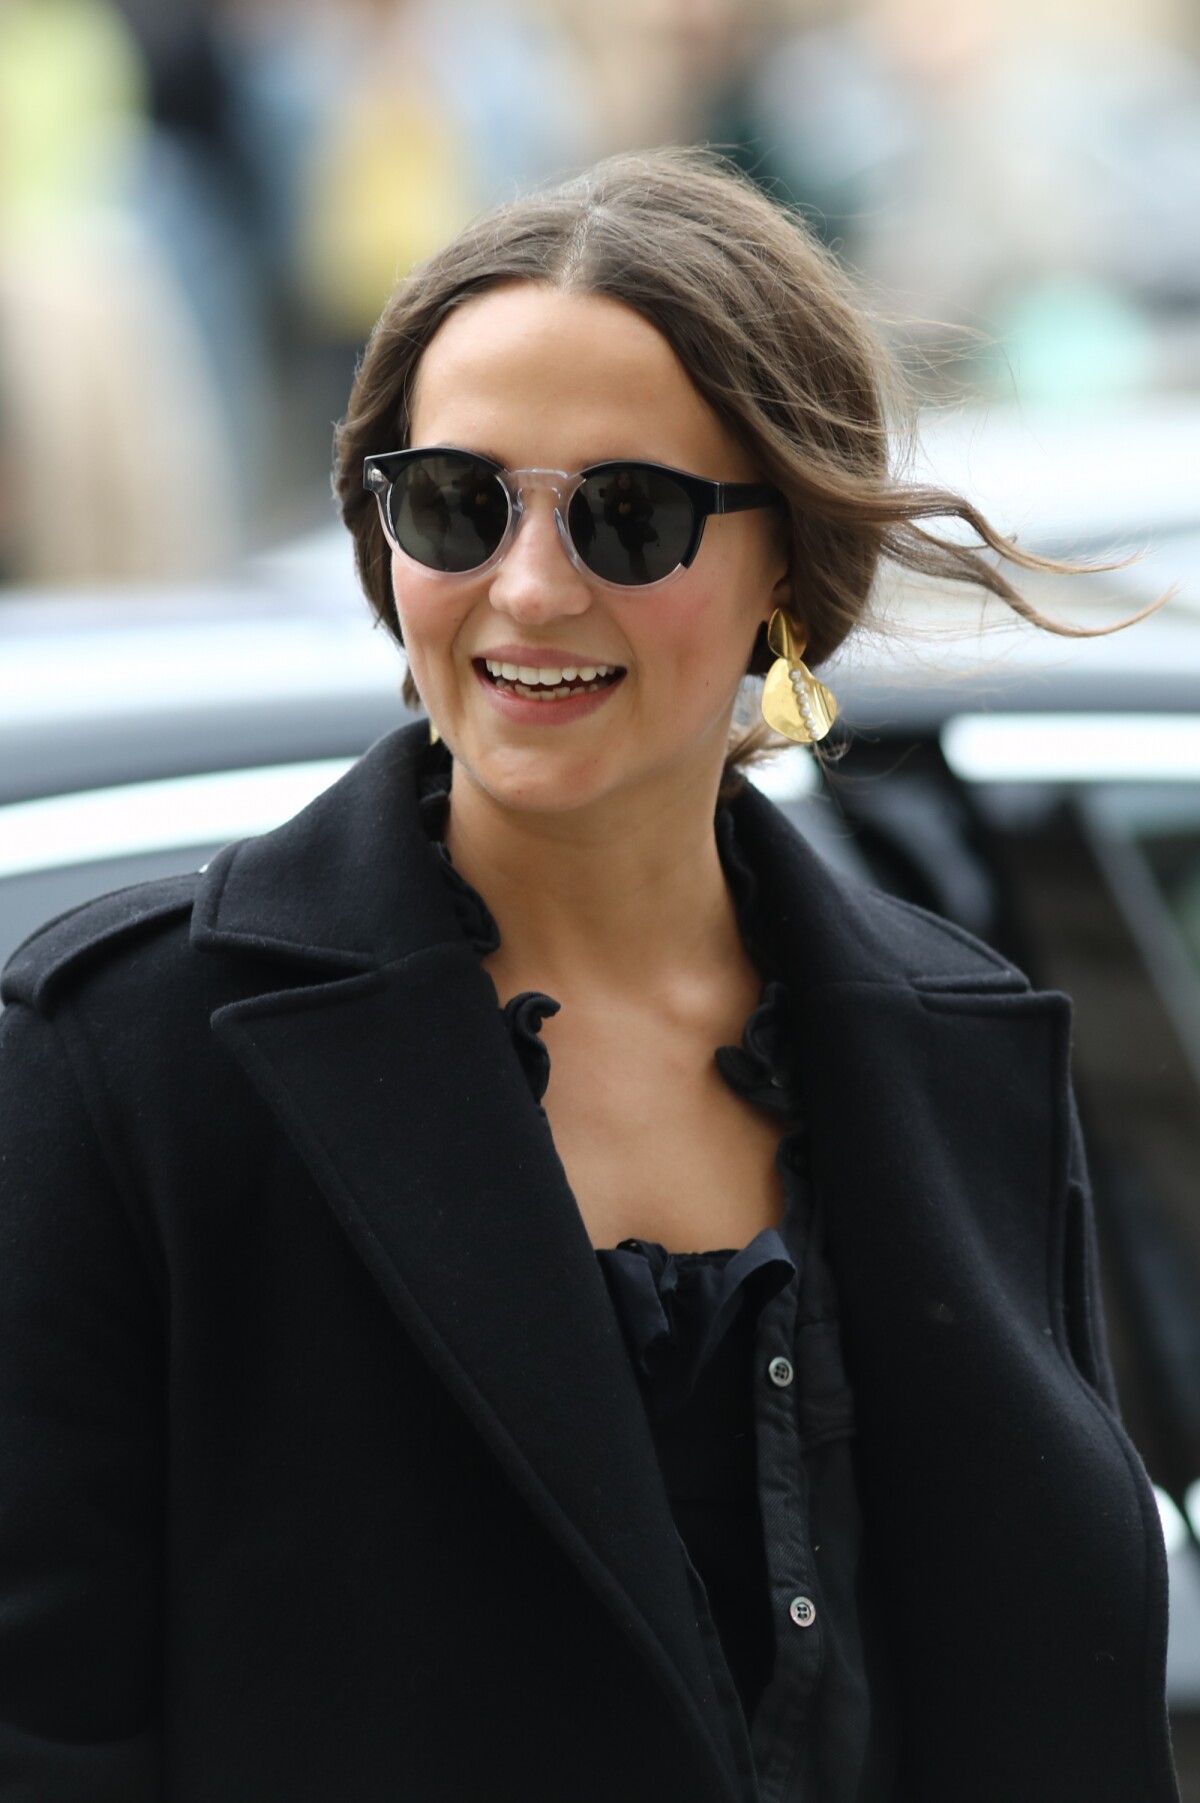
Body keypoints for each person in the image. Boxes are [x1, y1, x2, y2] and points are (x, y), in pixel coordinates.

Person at [0, 148, 1179, 1803]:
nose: (532, 586)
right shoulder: (129, 1062)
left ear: (789, 564)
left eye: (631, 514)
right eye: (456, 504)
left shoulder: (959, 1048)